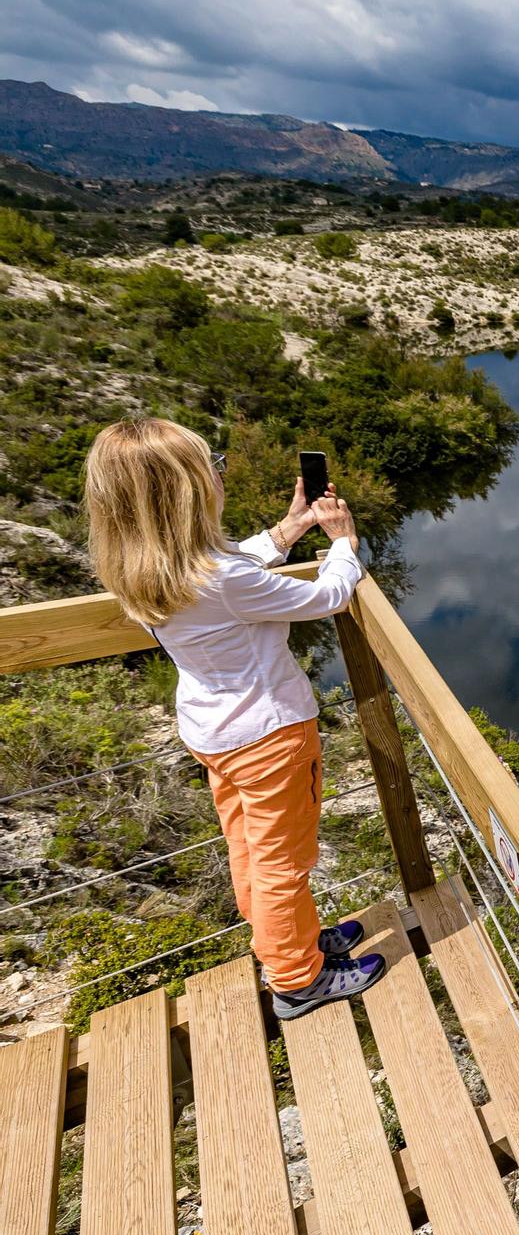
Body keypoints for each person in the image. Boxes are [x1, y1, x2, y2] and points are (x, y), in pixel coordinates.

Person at [84, 418, 386, 1018]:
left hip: (215, 735)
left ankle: (291, 944)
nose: (221, 473)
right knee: (285, 861)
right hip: (270, 738)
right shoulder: (222, 579)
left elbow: (228, 567)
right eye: (212, 466)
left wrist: (289, 529)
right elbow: (326, 597)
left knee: (250, 850)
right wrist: (344, 547)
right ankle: (298, 979)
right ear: (190, 491)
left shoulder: (138, 569)